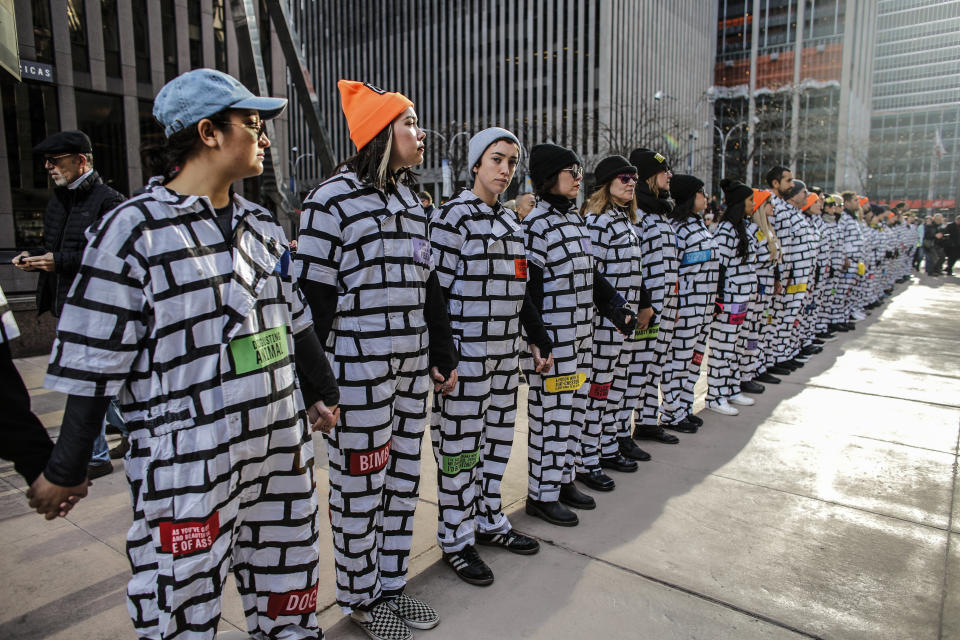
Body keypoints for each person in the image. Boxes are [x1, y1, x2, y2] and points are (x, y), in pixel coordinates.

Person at [30, 68, 340, 639]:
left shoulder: (261, 226)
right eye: (252, 124)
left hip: (278, 448)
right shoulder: (131, 231)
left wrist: (321, 392)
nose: (263, 138)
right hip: (187, 462)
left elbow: (294, 322)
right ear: (209, 133)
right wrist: (67, 465)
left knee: (290, 591)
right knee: (181, 603)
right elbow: (96, 361)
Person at [295, 80, 453, 639]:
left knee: (404, 482)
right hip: (356, 379)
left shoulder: (415, 201)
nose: (421, 133)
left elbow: (429, 285)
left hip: (411, 376)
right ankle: (361, 598)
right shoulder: (329, 201)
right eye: (410, 123)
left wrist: (443, 350)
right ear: (382, 134)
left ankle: (390, 586)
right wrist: (316, 386)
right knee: (359, 487)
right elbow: (311, 301)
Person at [428, 127, 545, 587]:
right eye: (496, 160)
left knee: (496, 447)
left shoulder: (513, 225)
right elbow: (433, 292)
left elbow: (523, 292)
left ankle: (488, 520)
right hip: (464, 364)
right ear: (475, 164)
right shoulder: (452, 218)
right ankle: (455, 539)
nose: (505, 170)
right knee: (459, 452)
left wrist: (536, 337)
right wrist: (443, 356)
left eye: (512, 163)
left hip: (503, 362)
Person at [520, 143, 636, 526]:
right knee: (551, 418)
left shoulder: (574, 221)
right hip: (555, 344)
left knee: (573, 414)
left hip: (581, 338)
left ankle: (565, 478)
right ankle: (542, 493)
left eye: (579, 170)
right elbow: (529, 290)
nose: (578, 177)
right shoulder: (535, 226)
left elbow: (591, 276)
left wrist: (614, 305)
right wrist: (538, 341)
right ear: (550, 177)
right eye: (571, 171)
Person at [13, 129, 125, 480]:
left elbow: (111, 258)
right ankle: (132, 432)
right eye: (46, 162)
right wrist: (32, 258)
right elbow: (54, 245)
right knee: (103, 383)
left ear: (81, 161)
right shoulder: (58, 200)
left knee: (86, 381)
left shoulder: (109, 201)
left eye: (55, 161)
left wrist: (57, 261)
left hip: (97, 307)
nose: (48, 167)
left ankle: (95, 456)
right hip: (66, 304)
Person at [578, 155, 652, 485]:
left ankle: (606, 446)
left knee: (613, 388)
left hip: (624, 324)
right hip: (605, 323)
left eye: (634, 178)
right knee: (598, 389)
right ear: (607, 183)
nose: (631, 182)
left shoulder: (625, 221)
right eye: (624, 178)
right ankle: (586, 457)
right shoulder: (598, 220)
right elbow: (592, 276)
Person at [618, 148, 682, 446]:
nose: (669, 175)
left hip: (665, 306)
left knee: (653, 367)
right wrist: (646, 304)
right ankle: (620, 433)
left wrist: (673, 303)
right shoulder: (638, 213)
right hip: (647, 308)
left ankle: (646, 421)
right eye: (663, 170)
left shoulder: (660, 211)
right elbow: (635, 263)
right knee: (635, 370)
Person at [659, 173, 718, 432]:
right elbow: (673, 273)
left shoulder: (699, 225)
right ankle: (671, 412)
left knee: (694, 360)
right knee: (678, 360)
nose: (705, 197)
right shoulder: (677, 228)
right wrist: (677, 307)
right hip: (685, 308)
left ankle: (684, 406)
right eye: (701, 192)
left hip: (703, 307)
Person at [706, 180, 758, 416]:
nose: (753, 204)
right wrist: (719, 299)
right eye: (749, 200)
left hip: (743, 298)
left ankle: (730, 388)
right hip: (729, 301)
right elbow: (720, 267)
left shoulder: (744, 227)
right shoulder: (726, 230)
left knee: (736, 347)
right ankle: (715, 396)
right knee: (723, 349)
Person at [742, 188, 783, 386]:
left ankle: (757, 367)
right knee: (752, 333)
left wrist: (776, 278)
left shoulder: (766, 230)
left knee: (761, 330)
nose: (773, 207)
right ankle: (747, 373)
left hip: (765, 291)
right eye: (768, 203)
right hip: (756, 291)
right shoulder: (752, 230)